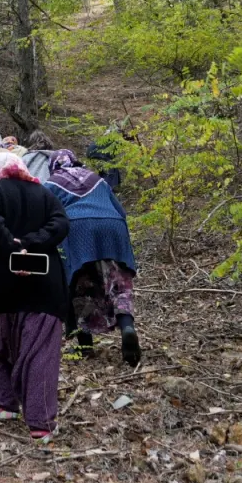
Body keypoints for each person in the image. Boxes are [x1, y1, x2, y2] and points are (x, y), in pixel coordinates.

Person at [0, 151, 71, 440]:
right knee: (40, 351)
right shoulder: (44, 193)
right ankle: (40, 423)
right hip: (43, 285)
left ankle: (4, 403)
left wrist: (13, 247)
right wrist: (33, 244)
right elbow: (61, 224)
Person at [42, 149, 141, 367]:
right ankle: (127, 328)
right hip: (113, 227)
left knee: (79, 285)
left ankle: (85, 344)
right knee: (119, 285)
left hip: (77, 230)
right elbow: (121, 212)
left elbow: (44, 218)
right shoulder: (98, 179)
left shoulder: (50, 184)